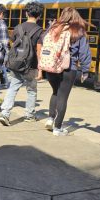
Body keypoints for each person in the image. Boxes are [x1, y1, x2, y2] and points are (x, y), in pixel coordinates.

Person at [38, 7, 91, 136]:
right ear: (76, 17)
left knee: (55, 92)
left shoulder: (53, 28)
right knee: (63, 97)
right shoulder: (78, 31)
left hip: (51, 66)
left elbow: (42, 41)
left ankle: (50, 119)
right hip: (69, 67)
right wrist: (85, 70)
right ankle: (58, 128)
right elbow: (84, 53)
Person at [0, 2, 44, 126]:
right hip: (31, 66)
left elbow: (14, 44)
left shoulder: (18, 28)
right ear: (39, 15)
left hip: (16, 64)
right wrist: (40, 69)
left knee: (13, 88)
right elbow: (39, 52)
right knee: (31, 91)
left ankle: (5, 113)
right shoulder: (40, 31)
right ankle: (29, 115)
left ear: (26, 13)